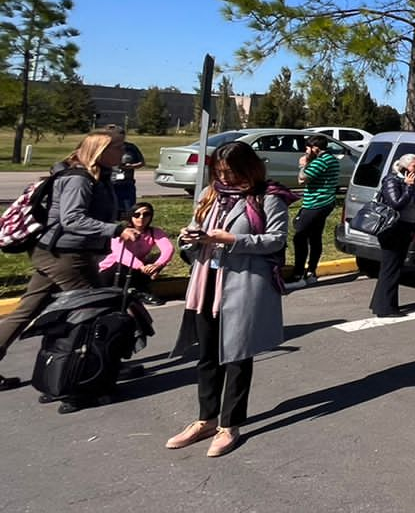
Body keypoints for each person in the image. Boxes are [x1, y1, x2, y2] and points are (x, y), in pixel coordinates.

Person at [164, 141, 288, 459]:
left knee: (236, 357)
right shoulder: (210, 195)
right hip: (205, 284)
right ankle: (206, 419)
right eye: (219, 172)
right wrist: (189, 237)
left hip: (243, 287)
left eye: (231, 172)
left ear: (249, 168)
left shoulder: (268, 197)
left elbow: (276, 240)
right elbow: (196, 229)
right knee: (206, 356)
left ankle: (229, 425)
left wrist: (231, 239)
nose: (226, 178)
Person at [0, 128, 140, 388]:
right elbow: (72, 219)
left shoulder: (97, 176)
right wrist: (116, 230)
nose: (124, 152)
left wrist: (118, 219)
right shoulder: (79, 179)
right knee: (97, 308)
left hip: (60, 252)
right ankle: (101, 363)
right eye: (119, 147)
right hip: (65, 254)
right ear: (101, 151)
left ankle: (101, 361)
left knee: (27, 309)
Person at [369, 153, 415, 318]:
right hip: (393, 230)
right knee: (390, 268)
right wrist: (409, 187)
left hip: (405, 229)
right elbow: (396, 203)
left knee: (392, 267)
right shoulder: (392, 180)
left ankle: (380, 303)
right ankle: (386, 308)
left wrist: (412, 187)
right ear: (404, 167)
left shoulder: (412, 181)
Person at [99, 201, 174, 307]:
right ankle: (137, 289)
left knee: (156, 258)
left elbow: (168, 249)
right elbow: (121, 254)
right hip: (114, 269)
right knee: (125, 265)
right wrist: (141, 266)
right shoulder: (122, 231)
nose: (141, 218)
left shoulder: (154, 232)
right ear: (131, 216)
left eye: (146, 214)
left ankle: (139, 290)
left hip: (135, 270)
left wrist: (157, 265)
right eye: (137, 215)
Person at [290, 134, 340, 287]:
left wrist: (303, 165)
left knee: (300, 236)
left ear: (315, 148)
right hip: (327, 202)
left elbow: (302, 179)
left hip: (315, 203)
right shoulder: (332, 159)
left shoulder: (320, 162)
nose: (305, 151)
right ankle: (312, 271)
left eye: (307, 148)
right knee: (315, 236)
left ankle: (298, 274)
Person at [109, 131, 145, 219]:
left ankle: (128, 223)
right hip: (111, 182)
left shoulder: (131, 147)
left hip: (127, 183)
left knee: (129, 208)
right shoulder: (107, 147)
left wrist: (130, 166)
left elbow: (141, 162)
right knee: (112, 207)